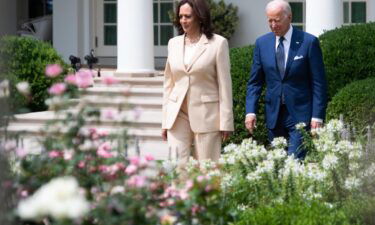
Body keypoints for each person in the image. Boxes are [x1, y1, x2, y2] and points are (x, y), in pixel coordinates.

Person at [245, 0, 327, 159]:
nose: (273, 25)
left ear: (289, 17)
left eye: (277, 20)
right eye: (270, 20)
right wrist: (250, 111)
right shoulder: (262, 43)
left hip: (300, 115)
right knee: (277, 163)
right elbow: (255, 82)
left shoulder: (308, 42)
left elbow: (319, 83)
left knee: (294, 163)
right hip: (274, 114)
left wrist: (317, 116)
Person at [161, 0, 234, 166]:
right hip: (177, 113)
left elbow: (224, 85)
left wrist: (226, 121)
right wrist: (165, 121)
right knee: (177, 165)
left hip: (206, 114)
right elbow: (169, 84)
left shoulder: (218, 43)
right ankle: (179, 193)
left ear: (200, 17)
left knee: (207, 168)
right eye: (180, 16)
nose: (183, 20)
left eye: (188, 16)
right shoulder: (173, 43)